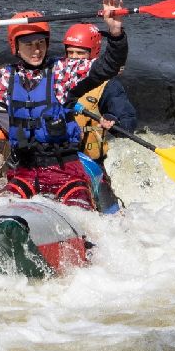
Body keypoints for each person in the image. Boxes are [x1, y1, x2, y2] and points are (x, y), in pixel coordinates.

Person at [0, 0, 126, 210]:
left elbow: (108, 66)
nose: (36, 50)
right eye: (28, 44)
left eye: (40, 43)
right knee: (2, 212)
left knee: (80, 209)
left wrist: (116, 33)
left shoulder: (63, 73)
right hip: (25, 172)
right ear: (15, 46)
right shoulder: (4, 79)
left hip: (66, 172)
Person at [62, 23, 138, 214]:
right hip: (59, 159)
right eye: (70, 53)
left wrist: (112, 120)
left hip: (90, 165)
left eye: (80, 53)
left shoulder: (108, 85)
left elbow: (128, 119)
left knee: (111, 216)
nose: (74, 59)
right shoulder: (59, 77)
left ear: (93, 54)